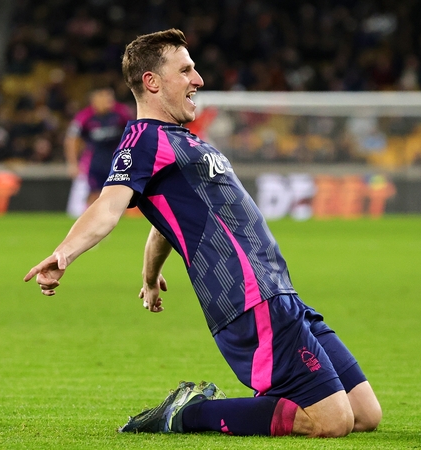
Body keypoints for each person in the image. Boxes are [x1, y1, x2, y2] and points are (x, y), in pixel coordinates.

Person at [24, 29, 381, 438]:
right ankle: (188, 414)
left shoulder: (182, 142)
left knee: (365, 414)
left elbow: (166, 223)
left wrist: (148, 273)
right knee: (332, 423)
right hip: (247, 299)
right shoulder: (142, 140)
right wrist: (64, 253)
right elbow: (108, 206)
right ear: (152, 82)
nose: (199, 80)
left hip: (280, 291)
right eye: (186, 70)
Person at [64, 86, 134, 204]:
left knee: (119, 194)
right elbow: (72, 139)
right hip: (94, 162)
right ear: (94, 99)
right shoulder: (84, 116)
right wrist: (73, 163)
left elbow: (134, 133)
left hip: (118, 162)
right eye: (104, 96)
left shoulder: (122, 112)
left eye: (110, 96)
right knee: (95, 194)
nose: (109, 99)